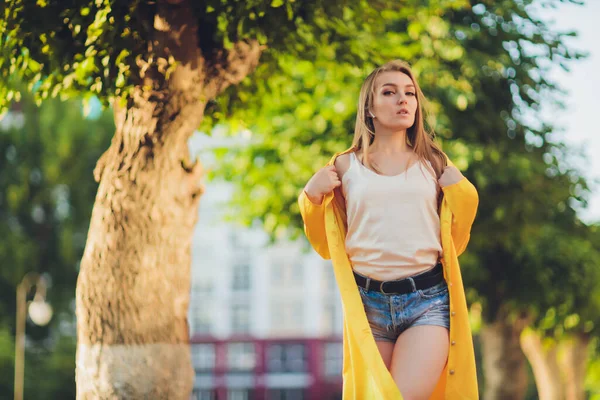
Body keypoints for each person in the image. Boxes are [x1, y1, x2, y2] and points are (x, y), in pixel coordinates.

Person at [298, 60, 479, 399]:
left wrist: (462, 191)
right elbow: (323, 242)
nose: (403, 100)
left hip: (427, 302)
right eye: (390, 92)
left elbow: (458, 237)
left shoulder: (435, 162)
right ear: (369, 108)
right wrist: (310, 194)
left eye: (410, 93)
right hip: (368, 306)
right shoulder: (344, 165)